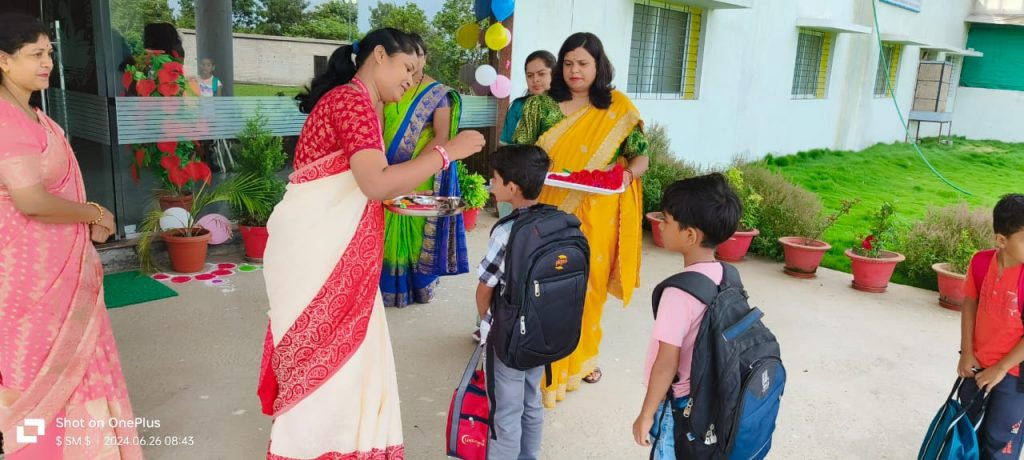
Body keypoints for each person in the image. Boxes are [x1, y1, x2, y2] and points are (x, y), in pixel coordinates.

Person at [257, 28, 485, 460]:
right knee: (328, 360)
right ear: (379, 55)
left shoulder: (361, 103)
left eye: (417, 74)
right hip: (320, 254)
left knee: (350, 358)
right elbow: (375, 184)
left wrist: (400, 193)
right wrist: (446, 153)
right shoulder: (352, 101)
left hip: (336, 251)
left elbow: (365, 184)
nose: (411, 81)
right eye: (408, 68)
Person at [0, 13, 142, 459]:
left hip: (59, 270)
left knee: (76, 364)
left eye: (49, 53)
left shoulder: (33, 114)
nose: (47, 63)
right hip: (28, 278)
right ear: (4, 60)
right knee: (39, 373)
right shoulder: (6, 120)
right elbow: (31, 200)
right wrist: (94, 212)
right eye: (35, 54)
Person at [512, 32, 649, 407]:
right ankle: (538, 363)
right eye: (569, 63)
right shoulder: (541, 105)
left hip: (597, 213)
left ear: (598, 66)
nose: (575, 70)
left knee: (586, 287)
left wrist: (627, 175)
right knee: (542, 284)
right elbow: (520, 154)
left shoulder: (618, 108)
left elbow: (641, 156)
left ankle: (581, 361)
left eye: (583, 63)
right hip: (546, 206)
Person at [630, 174, 741, 459]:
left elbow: (667, 363)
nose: (659, 225)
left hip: (680, 405)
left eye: (666, 220)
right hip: (710, 397)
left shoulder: (679, 293)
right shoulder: (727, 274)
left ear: (690, 235)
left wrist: (646, 414)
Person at [380, 34, 469, 308]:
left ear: (425, 57)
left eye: (418, 54)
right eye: (408, 55)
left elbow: (442, 136)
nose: (415, 61)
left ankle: (419, 287)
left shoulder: (438, 94)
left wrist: (412, 169)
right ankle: (389, 288)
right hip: (386, 167)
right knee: (386, 225)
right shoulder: (389, 87)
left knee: (417, 228)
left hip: (422, 169)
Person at [476, 145, 552, 460]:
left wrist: (486, 322)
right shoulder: (556, 221)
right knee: (531, 401)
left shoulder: (506, 232)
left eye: (494, 179)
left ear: (512, 187)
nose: (491, 185)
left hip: (509, 336)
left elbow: (485, 287)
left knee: (505, 410)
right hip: (542, 330)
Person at [957, 193, 1024, 460]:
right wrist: (966, 353)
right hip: (976, 366)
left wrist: (1001, 368)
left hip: (1015, 377)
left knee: (1000, 443)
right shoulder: (981, 263)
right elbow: (970, 304)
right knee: (966, 434)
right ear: (1001, 240)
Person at [497, 50, 555, 219]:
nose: (535, 80)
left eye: (541, 74)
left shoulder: (564, 109)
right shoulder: (518, 107)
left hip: (554, 182)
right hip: (520, 181)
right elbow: (505, 148)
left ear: (554, 73)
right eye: (530, 75)